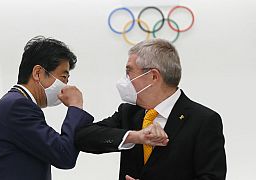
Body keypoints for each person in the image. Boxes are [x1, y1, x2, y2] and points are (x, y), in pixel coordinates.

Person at [75, 39, 226, 180]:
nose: (125, 80)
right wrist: (134, 137)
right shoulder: (129, 111)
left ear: (153, 76)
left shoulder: (204, 120)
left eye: (129, 72)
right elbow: (82, 137)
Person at [0, 36, 94, 180]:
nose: (66, 85)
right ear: (38, 73)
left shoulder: (14, 102)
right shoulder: (18, 107)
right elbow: (64, 154)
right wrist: (76, 107)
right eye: (63, 77)